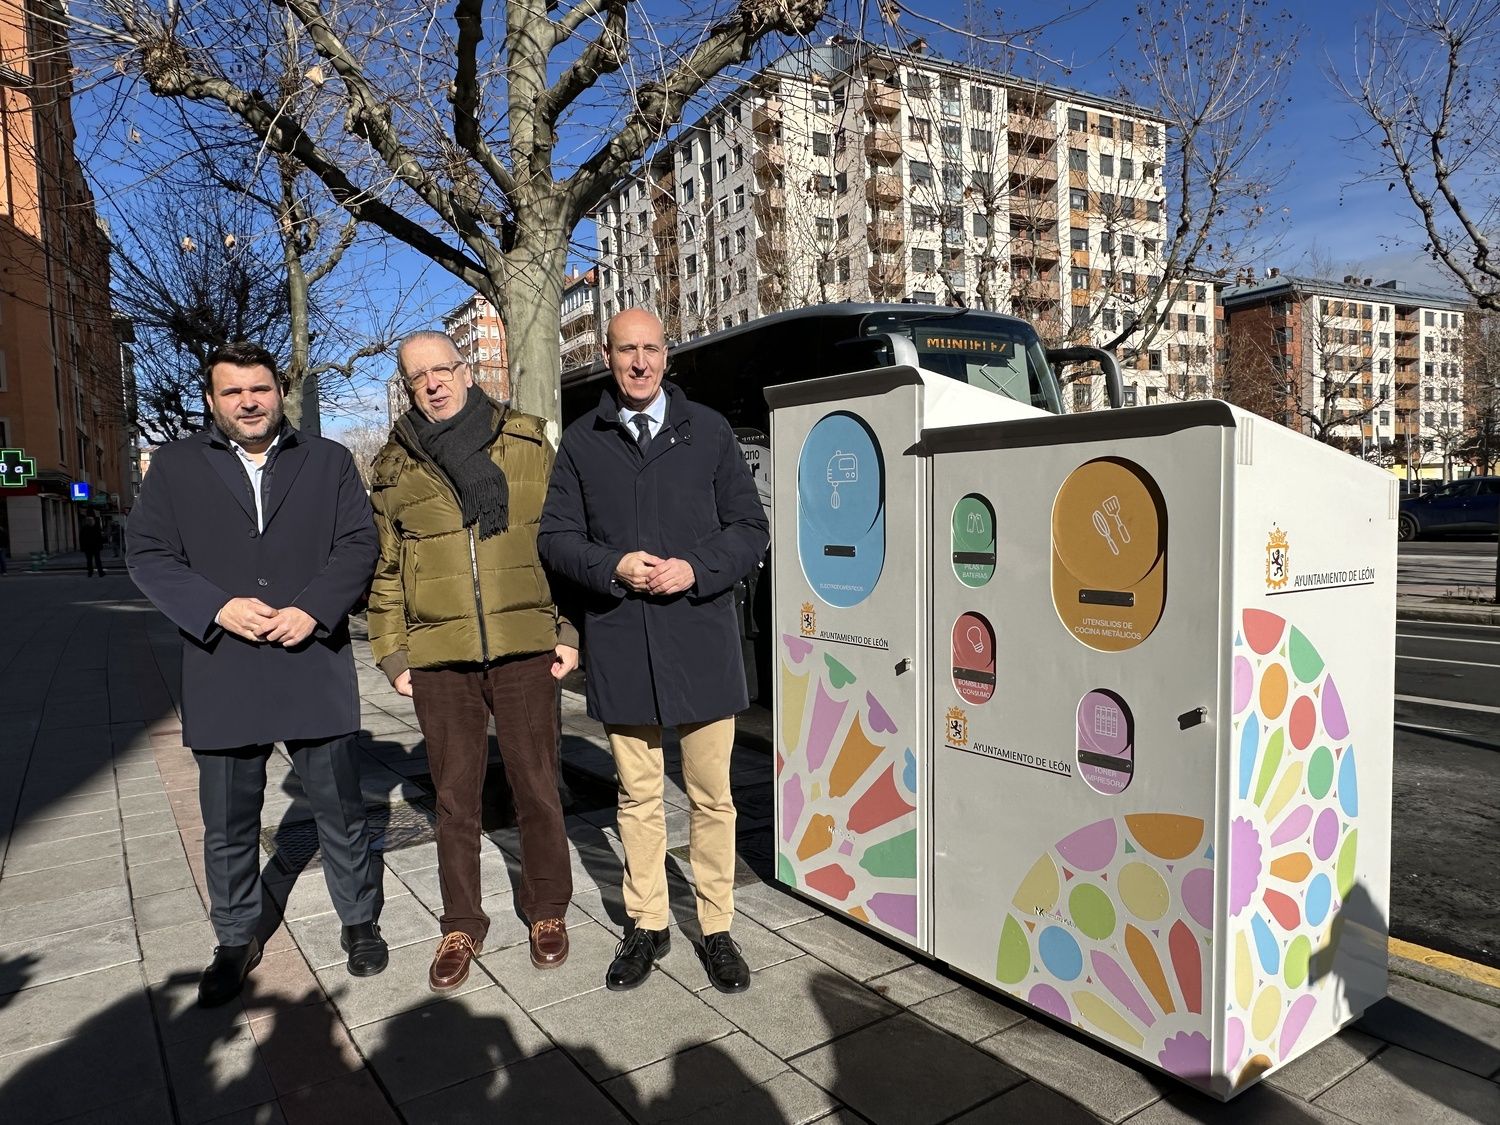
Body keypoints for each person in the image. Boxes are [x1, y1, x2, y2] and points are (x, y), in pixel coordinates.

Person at [127, 341, 387, 1007]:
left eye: (260, 389)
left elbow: (359, 542)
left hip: (312, 661)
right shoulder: (177, 465)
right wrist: (215, 607)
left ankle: (358, 921)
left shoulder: (326, 461)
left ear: (280, 392)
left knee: (342, 809)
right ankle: (235, 936)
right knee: (228, 820)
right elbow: (149, 554)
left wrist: (315, 608)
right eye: (233, 391)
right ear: (212, 400)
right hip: (224, 666)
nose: (249, 401)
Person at [539, 308, 769, 994]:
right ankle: (648, 922)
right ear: (607, 357)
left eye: (650, 349)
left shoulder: (710, 432)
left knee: (713, 797)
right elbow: (554, 539)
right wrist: (614, 566)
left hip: (699, 638)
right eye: (626, 350)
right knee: (637, 796)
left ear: (667, 355)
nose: (639, 362)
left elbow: (749, 526)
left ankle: (717, 925)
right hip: (621, 640)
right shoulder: (582, 442)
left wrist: (695, 567)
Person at [366, 331, 578, 992]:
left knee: (537, 786)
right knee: (455, 799)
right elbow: (388, 567)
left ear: (465, 368)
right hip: (439, 658)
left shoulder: (524, 441)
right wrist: (391, 652)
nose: (433, 383)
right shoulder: (395, 465)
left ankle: (547, 909)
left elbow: (563, 540)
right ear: (407, 385)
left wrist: (568, 628)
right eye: (417, 375)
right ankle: (462, 921)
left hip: (524, 647)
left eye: (443, 369)